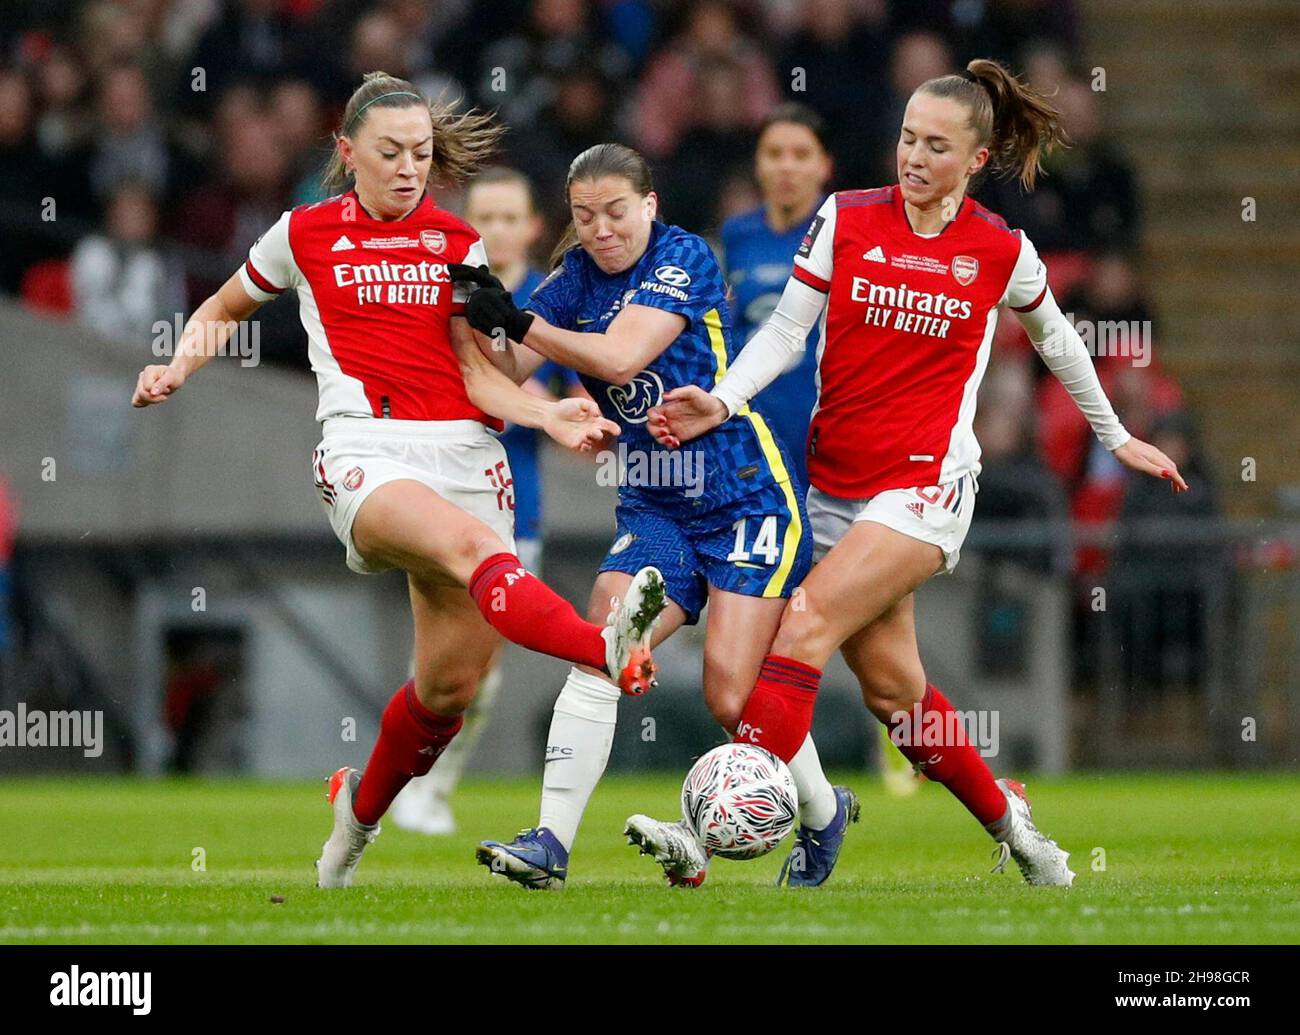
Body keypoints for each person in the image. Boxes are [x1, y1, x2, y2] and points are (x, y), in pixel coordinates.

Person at [642, 60, 1189, 887]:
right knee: (899, 700)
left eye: (936, 146)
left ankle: (705, 836)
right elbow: (787, 334)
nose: (913, 156)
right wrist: (722, 402)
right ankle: (1020, 832)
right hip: (830, 484)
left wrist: (1113, 435)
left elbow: (1060, 341)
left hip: (925, 487)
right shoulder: (847, 218)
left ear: (974, 161)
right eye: (907, 138)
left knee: (808, 620)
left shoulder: (998, 248)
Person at [130, 73, 669, 889]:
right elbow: (222, 307)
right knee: (465, 548)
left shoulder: (458, 244)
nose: (409, 166)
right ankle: (606, 648)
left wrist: (546, 416)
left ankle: (354, 818)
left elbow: (479, 379)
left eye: (421, 152)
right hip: (366, 451)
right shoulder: (303, 232)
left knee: (447, 691)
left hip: (466, 452)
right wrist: (179, 363)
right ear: (347, 154)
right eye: (390, 152)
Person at [455, 143, 851, 890]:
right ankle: (550, 844)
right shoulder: (570, 280)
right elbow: (502, 375)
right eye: (583, 216)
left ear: (649, 205)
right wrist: (468, 320)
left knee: (731, 693)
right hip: (654, 500)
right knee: (602, 647)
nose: (601, 229)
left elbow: (617, 358)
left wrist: (519, 322)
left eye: (615, 211)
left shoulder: (683, 258)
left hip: (744, 494)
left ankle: (825, 812)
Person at [389, 166, 582, 836]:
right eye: (485, 218)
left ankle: (434, 785)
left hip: (513, 504)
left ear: (532, 228)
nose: (496, 231)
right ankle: (408, 776)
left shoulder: (551, 300)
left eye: (509, 218)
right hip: (434, 491)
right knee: (436, 651)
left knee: (484, 663)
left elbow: (579, 394)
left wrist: (569, 414)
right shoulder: (441, 287)